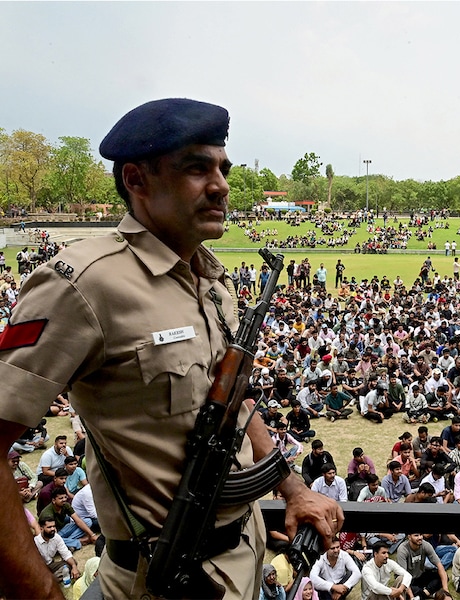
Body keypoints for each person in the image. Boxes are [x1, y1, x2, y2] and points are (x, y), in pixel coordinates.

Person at [0, 98, 341, 599]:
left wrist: (290, 486)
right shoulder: (83, 285)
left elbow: (232, 404)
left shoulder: (211, 282)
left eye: (222, 168)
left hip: (242, 561)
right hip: (158, 579)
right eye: (197, 168)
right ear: (137, 180)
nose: (221, 184)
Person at [395, 533, 449, 599]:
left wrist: (446, 590)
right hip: (407, 581)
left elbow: (439, 565)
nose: (420, 537)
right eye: (416, 535)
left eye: (421, 535)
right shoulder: (402, 550)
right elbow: (403, 577)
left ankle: (425, 593)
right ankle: (427, 593)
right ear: (409, 537)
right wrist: (412, 597)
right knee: (405, 591)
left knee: (444, 576)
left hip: (420, 576)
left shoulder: (425, 545)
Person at [34, 516, 81, 583]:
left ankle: (50, 581)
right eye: (49, 527)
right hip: (40, 569)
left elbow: (66, 554)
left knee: (72, 563)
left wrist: (74, 567)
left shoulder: (56, 537)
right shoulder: (35, 542)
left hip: (51, 565)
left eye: (54, 526)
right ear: (41, 529)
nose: (53, 529)